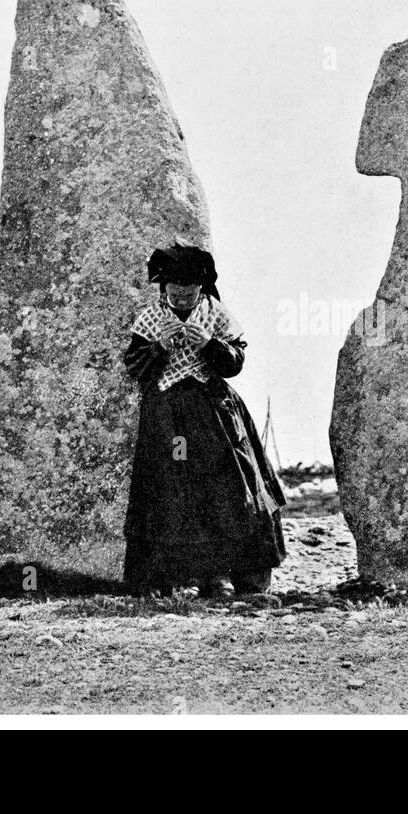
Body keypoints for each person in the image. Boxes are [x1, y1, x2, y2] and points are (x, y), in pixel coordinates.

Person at [121, 242, 286, 598]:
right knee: (172, 492)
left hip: (214, 414)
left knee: (228, 489)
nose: (181, 295)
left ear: (201, 286)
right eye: (174, 288)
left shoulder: (218, 315)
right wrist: (159, 346)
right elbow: (135, 366)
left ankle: (227, 575)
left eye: (189, 288)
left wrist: (211, 343)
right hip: (167, 417)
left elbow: (235, 364)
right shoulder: (150, 319)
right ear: (163, 286)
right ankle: (183, 576)